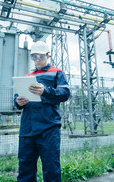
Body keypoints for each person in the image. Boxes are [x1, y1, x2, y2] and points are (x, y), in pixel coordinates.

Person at [14, 40, 70, 182]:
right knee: (25, 167)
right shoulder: (26, 77)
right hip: (28, 128)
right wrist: (18, 102)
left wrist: (45, 91)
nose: (37, 60)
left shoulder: (57, 73)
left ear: (48, 56)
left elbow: (64, 93)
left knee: (51, 167)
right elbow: (17, 98)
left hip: (49, 127)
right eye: (34, 57)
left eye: (40, 56)